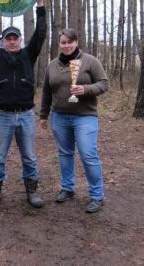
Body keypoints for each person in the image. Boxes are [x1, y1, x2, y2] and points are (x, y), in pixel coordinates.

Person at [0, 0, 47, 209]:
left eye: (15, 37)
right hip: (3, 116)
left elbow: (41, 34)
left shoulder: (29, 54)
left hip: (26, 115)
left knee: (29, 157)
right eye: (8, 38)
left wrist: (41, 6)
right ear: (4, 41)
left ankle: (32, 190)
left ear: (20, 40)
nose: (12, 41)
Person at [39, 28, 109, 213]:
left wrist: (85, 89)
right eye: (63, 42)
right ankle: (68, 189)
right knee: (65, 153)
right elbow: (47, 92)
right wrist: (43, 115)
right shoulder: (52, 65)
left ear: (76, 42)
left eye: (70, 42)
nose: (67, 45)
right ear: (59, 44)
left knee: (88, 154)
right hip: (59, 117)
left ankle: (97, 195)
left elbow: (104, 83)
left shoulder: (90, 61)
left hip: (85, 116)